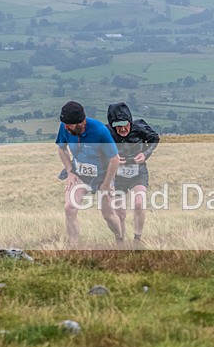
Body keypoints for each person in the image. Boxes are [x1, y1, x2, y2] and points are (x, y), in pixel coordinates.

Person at [55, 101, 123, 246]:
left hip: (102, 176)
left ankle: (120, 239)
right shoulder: (64, 127)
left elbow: (114, 159)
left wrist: (106, 184)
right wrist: (70, 171)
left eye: (70, 125)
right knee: (69, 208)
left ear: (81, 122)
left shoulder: (99, 131)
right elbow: (61, 149)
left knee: (108, 215)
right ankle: (74, 246)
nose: (66, 128)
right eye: (65, 124)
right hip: (79, 174)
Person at [107, 102, 160, 245]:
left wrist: (146, 154)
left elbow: (155, 138)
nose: (123, 129)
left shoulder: (140, 127)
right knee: (120, 212)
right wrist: (112, 159)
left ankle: (137, 239)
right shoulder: (105, 132)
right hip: (117, 176)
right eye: (119, 126)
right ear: (112, 125)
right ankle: (120, 241)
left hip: (138, 173)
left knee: (139, 204)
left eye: (126, 125)